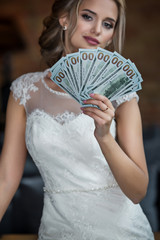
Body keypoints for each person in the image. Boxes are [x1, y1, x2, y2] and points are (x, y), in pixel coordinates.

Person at [0, 0, 155, 239]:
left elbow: (137, 192)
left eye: (107, 24)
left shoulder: (122, 94)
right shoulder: (24, 91)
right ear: (64, 19)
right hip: (56, 231)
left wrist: (104, 138)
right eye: (88, 17)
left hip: (121, 231)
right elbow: (6, 180)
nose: (97, 30)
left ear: (112, 34)